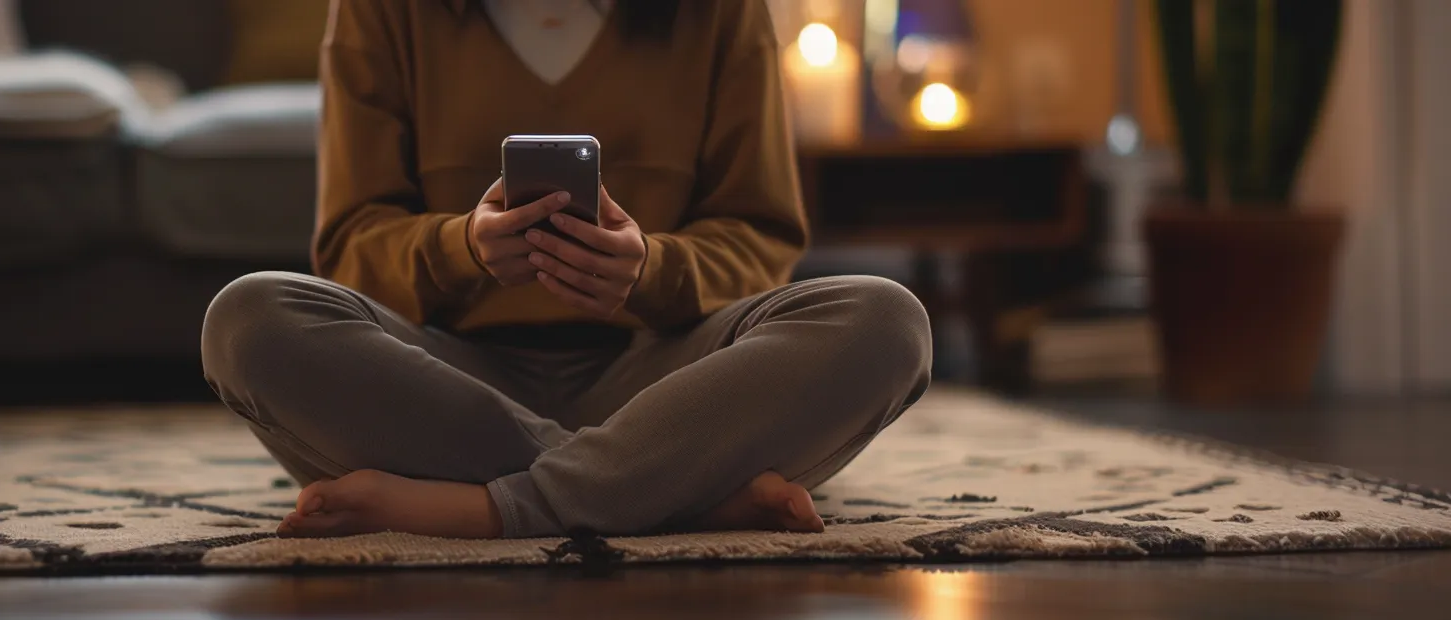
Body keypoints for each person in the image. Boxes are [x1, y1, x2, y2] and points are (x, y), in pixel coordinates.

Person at [201, 0, 931, 539]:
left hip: (673, 381)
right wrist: (464, 247)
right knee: (248, 318)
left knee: (887, 320)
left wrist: (649, 270)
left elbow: (761, 239)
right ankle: (680, 500)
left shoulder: (724, 11)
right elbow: (352, 244)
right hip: (450, 385)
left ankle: (489, 510)